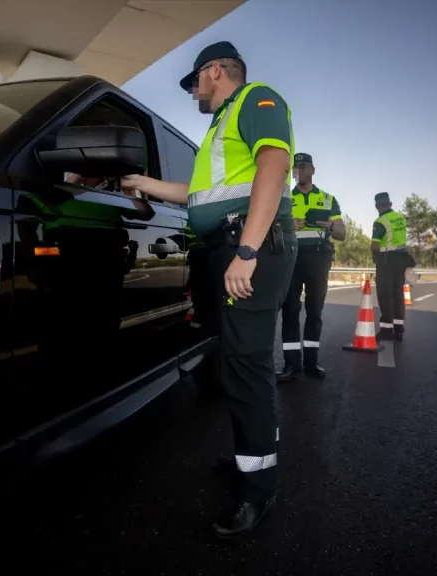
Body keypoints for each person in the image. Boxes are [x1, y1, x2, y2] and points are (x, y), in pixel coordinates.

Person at [122, 40, 297, 538]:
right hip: (227, 245)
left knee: (247, 365)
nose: (192, 91)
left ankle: (259, 490)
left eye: (194, 80)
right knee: (237, 364)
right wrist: (143, 182)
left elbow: (273, 166)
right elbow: (198, 196)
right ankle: (251, 462)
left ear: (215, 71)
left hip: (250, 247)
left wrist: (247, 252)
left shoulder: (258, 99)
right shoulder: (219, 128)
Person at [277, 153, 345, 381]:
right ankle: (291, 366)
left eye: (303, 166)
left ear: (312, 170)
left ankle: (311, 363)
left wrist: (332, 226)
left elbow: (342, 234)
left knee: (314, 312)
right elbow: (269, 222)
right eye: (295, 167)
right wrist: (288, 222)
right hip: (291, 257)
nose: (298, 170)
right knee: (290, 312)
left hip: (318, 258)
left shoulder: (328, 199)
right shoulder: (284, 197)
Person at [371, 192, 414, 341]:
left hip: (386, 261)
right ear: (390, 204)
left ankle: (387, 330)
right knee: (398, 294)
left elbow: (375, 246)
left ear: (377, 206)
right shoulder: (401, 218)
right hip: (401, 259)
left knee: (385, 295)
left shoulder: (380, 222)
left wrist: (373, 252)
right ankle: (399, 328)